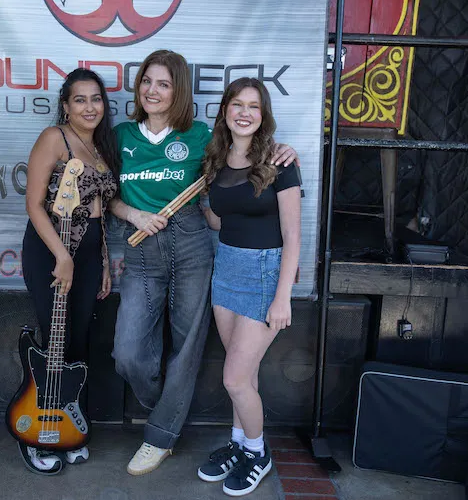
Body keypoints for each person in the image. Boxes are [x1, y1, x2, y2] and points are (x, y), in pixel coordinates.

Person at [108, 50, 298, 476]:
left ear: (179, 91)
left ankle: (161, 436)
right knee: (127, 353)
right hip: (142, 246)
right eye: (146, 81)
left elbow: (248, 156)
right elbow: (106, 195)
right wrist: (133, 214)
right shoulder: (120, 136)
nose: (152, 90)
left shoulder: (202, 138)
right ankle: (166, 407)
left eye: (163, 84)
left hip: (193, 245)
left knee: (188, 347)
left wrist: (284, 151)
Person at [196, 78, 301, 496]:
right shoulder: (216, 161)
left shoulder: (280, 161)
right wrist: (198, 205)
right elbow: (221, 220)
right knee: (246, 374)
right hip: (226, 270)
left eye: (253, 106)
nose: (244, 112)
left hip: (264, 274)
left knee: (235, 379)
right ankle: (240, 444)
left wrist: (282, 297)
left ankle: (258, 453)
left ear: (263, 115)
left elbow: (293, 236)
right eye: (237, 104)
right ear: (225, 111)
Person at [20, 68, 119, 475]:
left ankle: (65, 428)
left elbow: (100, 211)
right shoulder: (54, 138)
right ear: (66, 105)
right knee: (54, 340)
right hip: (50, 251)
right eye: (80, 99)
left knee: (78, 343)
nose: (89, 107)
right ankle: (35, 434)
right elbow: (33, 204)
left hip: (90, 255)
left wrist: (103, 261)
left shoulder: (101, 146)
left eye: (96, 99)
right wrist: (62, 257)